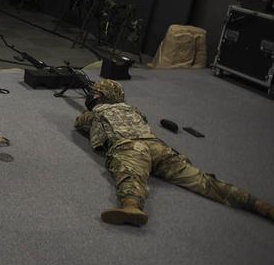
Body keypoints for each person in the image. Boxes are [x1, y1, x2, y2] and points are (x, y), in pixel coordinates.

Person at [75, 79, 273, 226]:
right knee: (201, 179)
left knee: (130, 175)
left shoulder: (98, 112)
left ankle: (131, 206)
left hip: (128, 146)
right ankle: (258, 204)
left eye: (95, 92)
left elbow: (80, 123)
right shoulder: (133, 109)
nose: (92, 95)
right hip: (158, 146)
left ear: (101, 96)